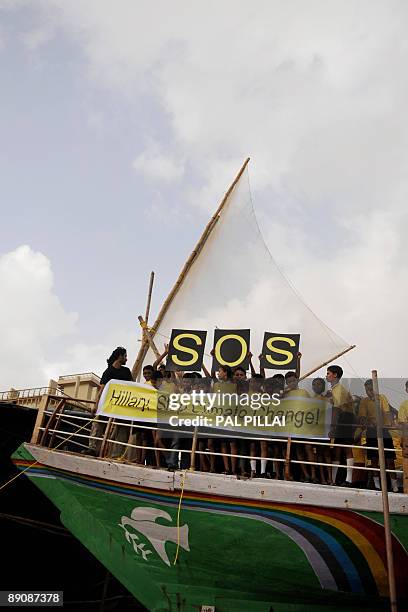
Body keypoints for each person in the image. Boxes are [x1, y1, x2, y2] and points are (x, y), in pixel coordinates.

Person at [87, 347, 133, 457]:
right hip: (108, 404)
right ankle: (93, 449)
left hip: (122, 404)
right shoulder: (108, 372)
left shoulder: (126, 371)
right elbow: (102, 389)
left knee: (122, 429)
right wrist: (96, 405)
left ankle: (116, 454)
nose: (126, 358)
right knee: (98, 424)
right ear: (119, 356)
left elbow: (132, 387)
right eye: (125, 356)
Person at [358, 379, 397, 492]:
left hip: (384, 430)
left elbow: (387, 412)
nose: (369, 392)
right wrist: (369, 422)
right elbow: (362, 417)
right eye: (367, 390)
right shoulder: (364, 401)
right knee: (374, 459)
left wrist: (388, 422)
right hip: (372, 431)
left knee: (389, 459)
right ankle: (377, 485)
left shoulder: (382, 398)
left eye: (371, 390)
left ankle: (394, 486)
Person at [326, 365, 355, 486]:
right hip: (340, 418)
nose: (326, 375)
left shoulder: (339, 389)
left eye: (328, 373)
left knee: (347, 447)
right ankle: (333, 479)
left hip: (345, 418)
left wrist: (333, 425)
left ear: (335, 375)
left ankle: (349, 479)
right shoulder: (333, 389)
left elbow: (337, 408)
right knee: (337, 448)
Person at [311, 377, 332, 485]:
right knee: (318, 454)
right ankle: (323, 478)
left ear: (323, 386)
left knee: (327, 454)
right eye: (314, 384)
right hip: (315, 431)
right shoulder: (310, 400)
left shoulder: (328, 399)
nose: (316, 386)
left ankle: (330, 478)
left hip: (325, 430)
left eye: (319, 384)